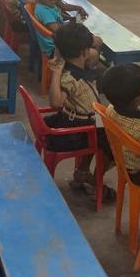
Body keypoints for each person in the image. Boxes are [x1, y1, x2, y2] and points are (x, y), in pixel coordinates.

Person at [47, 21, 113, 202]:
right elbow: (55, 102)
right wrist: (56, 73)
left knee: (100, 125)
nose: (92, 51)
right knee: (113, 142)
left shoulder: (77, 66)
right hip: (75, 131)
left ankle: (81, 172)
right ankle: (96, 183)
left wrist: (59, 55)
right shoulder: (70, 77)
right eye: (89, 48)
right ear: (83, 52)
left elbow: (93, 51)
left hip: (82, 121)